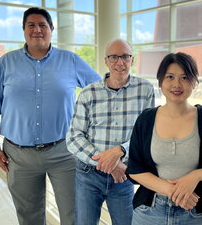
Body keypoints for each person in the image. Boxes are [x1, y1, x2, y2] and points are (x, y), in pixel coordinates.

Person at [0, 7, 101, 225]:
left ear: (51, 29)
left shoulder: (70, 61)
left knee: (74, 215)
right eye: (31, 25)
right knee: (29, 217)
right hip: (18, 156)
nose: (37, 30)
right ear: (24, 30)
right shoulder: (6, 63)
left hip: (65, 153)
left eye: (42, 25)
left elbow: (100, 93)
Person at [126, 52, 202, 225]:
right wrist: (173, 191)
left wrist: (195, 176)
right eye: (170, 77)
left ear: (194, 82)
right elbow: (135, 169)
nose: (177, 84)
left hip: (193, 212)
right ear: (160, 82)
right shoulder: (146, 119)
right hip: (149, 211)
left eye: (185, 77)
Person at [66, 38, 155, 225]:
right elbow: (74, 137)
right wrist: (108, 163)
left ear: (132, 60)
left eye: (124, 56)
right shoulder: (88, 93)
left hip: (123, 177)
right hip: (88, 174)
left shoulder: (145, 90)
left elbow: (147, 135)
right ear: (105, 61)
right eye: (113, 57)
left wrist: (120, 152)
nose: (119, 62)